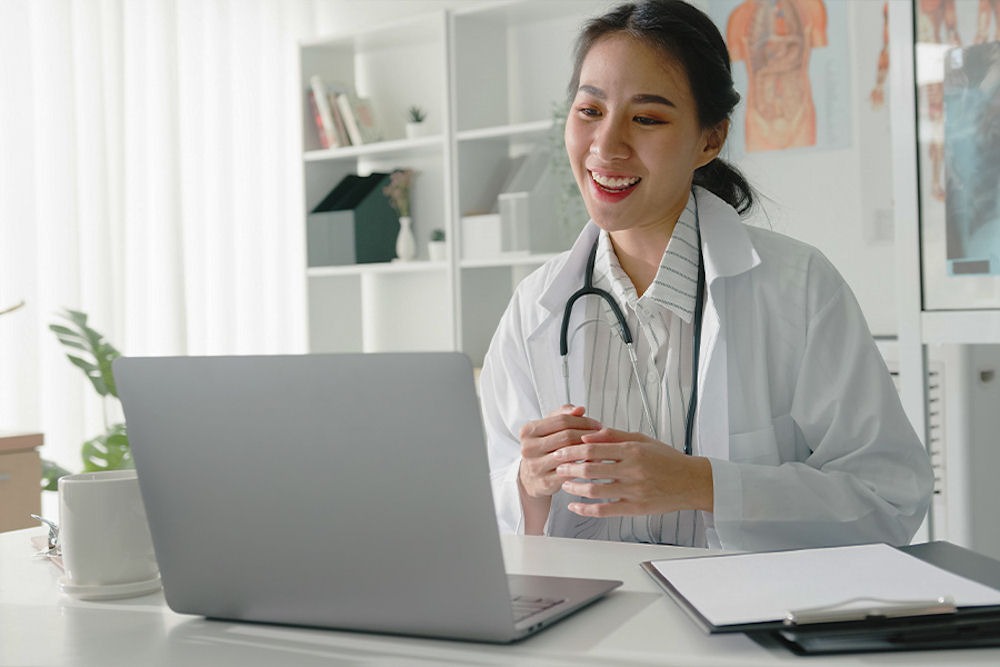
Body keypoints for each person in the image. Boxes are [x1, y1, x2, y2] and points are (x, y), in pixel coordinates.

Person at [479, 0, 933, 552]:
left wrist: (703, 484)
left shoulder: (798, 288)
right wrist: (528, 484)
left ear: (709, 140)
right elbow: (480, 514)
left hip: (744, 624)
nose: (607, 146)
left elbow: (890, 499)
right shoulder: (536, 307)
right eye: (589, 111)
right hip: (580, 619)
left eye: (646, 118)